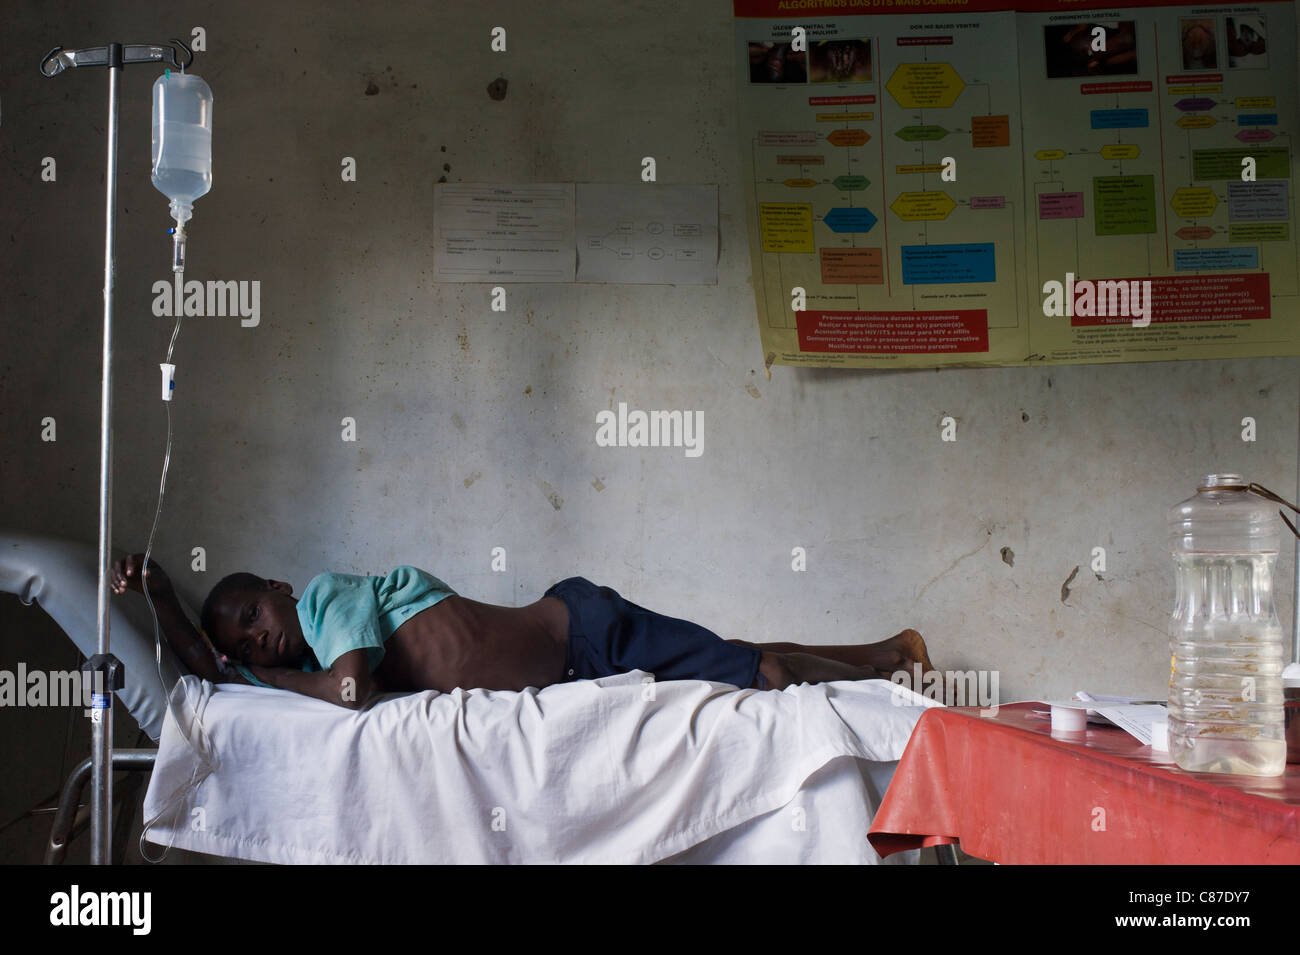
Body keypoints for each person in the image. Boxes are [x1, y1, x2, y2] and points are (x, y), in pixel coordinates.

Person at [111, 553, 938, 710]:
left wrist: (268, 673)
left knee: (756, 672)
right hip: (577, 658)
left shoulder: (329, 601)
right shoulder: (294, 655)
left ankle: (890, 661)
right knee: (737, 658)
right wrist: (160, 598)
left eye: (255, 615)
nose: (258, 642)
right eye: (246, 639)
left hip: (584, 629)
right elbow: (212, 671)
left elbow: (353, 694)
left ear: (281, 589)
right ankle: (889, 651)